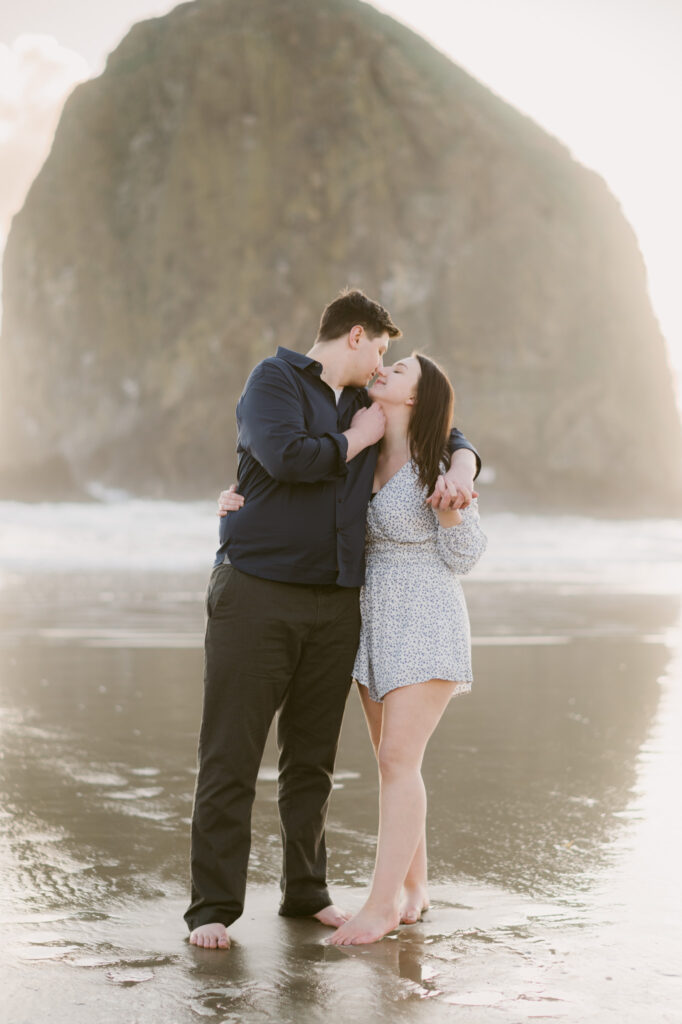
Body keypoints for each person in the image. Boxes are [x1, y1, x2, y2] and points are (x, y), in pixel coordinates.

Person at [187, 289, 480, 949]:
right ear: (356, 336)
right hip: (256, 592)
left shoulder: (363, 404)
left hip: (338, 605)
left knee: (311, 760)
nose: (383, 364)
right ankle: (212, 908)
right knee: (232, 751)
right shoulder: (275, 380)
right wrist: (356, 439)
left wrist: (462, 464)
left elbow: (444, 429)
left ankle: (307, 891)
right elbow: (287, 457)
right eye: (381, 349)